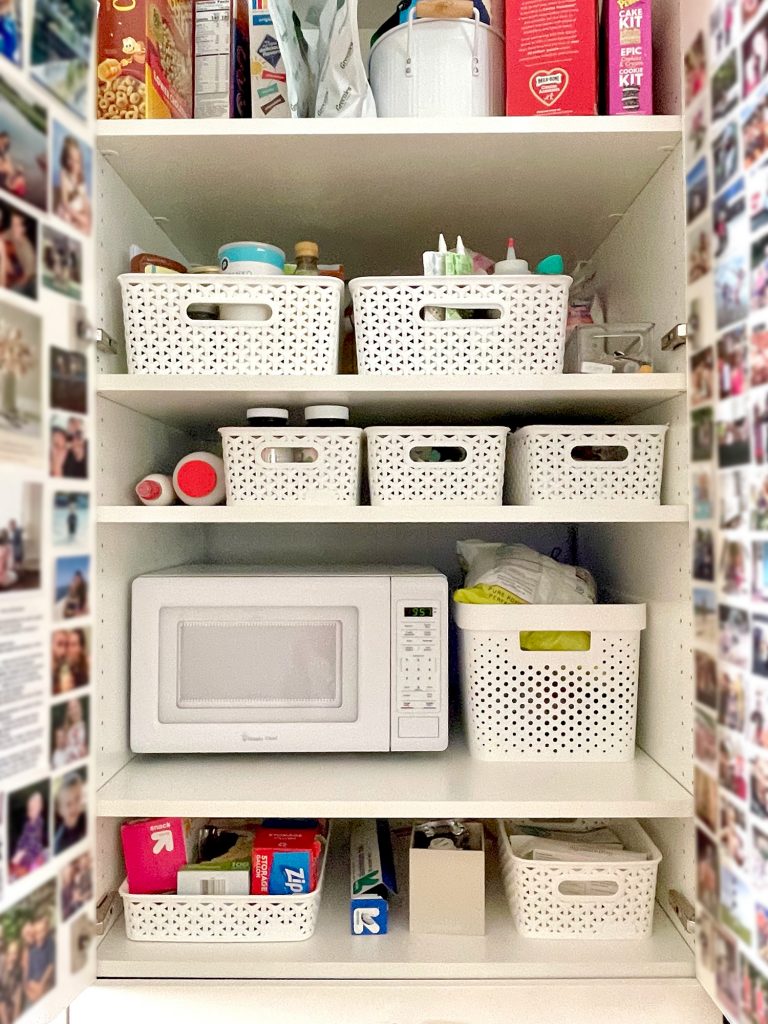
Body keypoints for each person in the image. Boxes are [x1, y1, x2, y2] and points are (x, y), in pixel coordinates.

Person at [54, 137, 91, 235]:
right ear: (65, 159)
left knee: (87, 229)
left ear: (80, 160)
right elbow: (65, 202)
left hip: (79, 212)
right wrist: (79, 218)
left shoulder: (81, 176)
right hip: (67, 212)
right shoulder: (64, 174)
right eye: (71, 159)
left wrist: (86, 217)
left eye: (77, 161)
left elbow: (85, 200)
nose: (74, 164)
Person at [10, 791, 47, 878]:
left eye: (33, 808)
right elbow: (23, 837)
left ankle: (25, 870)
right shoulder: (27, 824)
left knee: (25, 859)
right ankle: (17, 870)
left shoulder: (39, 822)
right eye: (29, 809)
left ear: (40, 808)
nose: (30, 812)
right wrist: (20, 848)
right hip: (25, 847)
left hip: (34, 849)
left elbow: (34, 839)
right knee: (16, 856)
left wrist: (23, 851)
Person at [2, 210, 35, 298]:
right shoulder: (12, 232)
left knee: (12, 292)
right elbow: (1, 238)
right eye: (12, 224)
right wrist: (6, 258)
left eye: (16, 225)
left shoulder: (27, 250)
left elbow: (25, 279)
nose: (13, 228)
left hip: (29, 280)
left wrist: (10, 282)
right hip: (15, 269)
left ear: (23, 229)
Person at [24, 918, 54, 1006]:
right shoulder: (31, 951)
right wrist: (31, 990)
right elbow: (28, 975)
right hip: (33, 988)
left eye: (42, 931)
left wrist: (41, 985)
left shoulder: (49, 943)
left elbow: (51, 965)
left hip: (44, 986)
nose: (40, 935)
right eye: (37, 933)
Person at [54, 773, 86, 853]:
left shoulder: (84, 818)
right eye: (68, 804)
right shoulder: (60, 842)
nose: (74, 807)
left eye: (77, 799)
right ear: (60, 810)